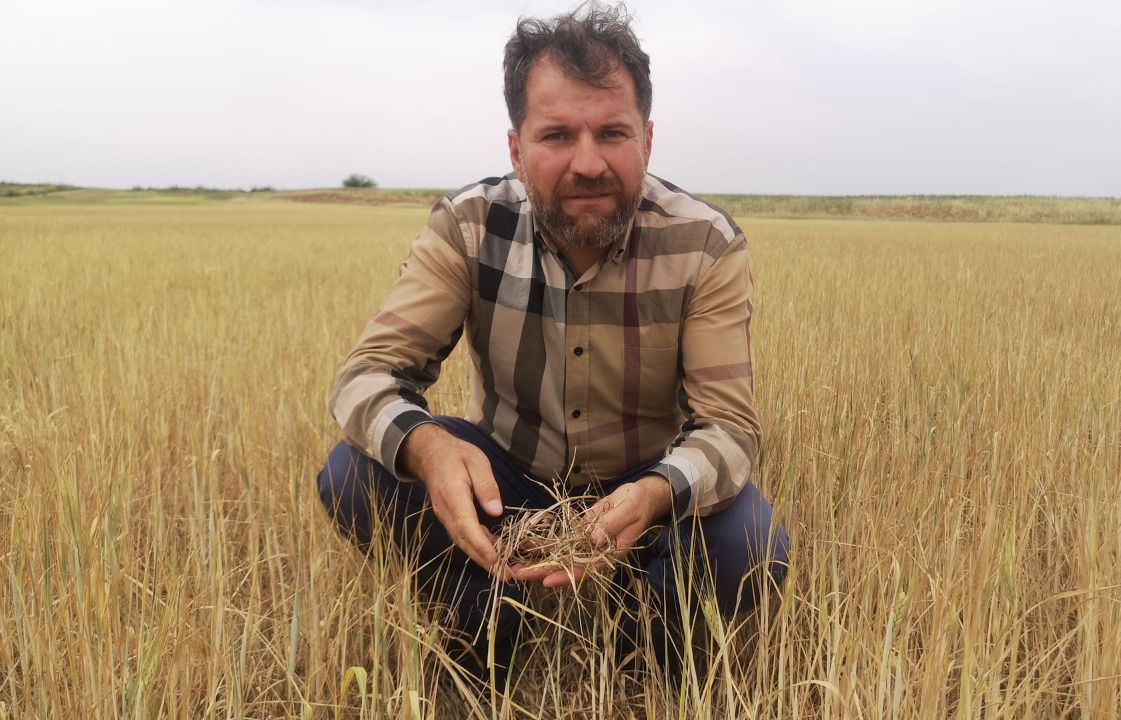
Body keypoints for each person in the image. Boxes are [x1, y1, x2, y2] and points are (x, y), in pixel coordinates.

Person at [316, 2, 789, 686]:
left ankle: (642, 639)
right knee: (353, 475)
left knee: (749, 541)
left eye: (613, 133)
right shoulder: (468, 228)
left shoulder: (705, 245)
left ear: (648, 142)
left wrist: (657, 491)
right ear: (516, 148)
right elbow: (365, 379)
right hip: (506, 483)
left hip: (641, 489)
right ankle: (486, 611)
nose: (588, 163)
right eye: (558, 135)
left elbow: (730, 430)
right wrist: (429, 447)